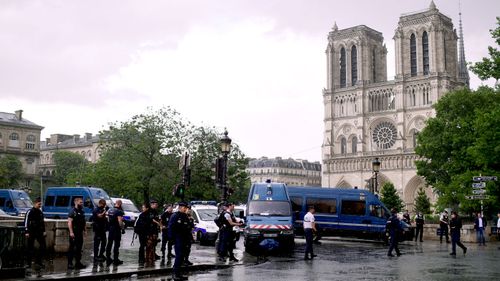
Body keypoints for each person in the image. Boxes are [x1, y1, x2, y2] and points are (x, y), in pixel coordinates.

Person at [168, 202, 191, 281]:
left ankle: (179, 273)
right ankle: (175, 273)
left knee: (182, 256)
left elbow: (187, 227)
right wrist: (171, 239)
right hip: (177, 238)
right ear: (181, 207)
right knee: (179, 255)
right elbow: (171, 227)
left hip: (184, 238)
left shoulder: (185, 216)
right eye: (185, 207)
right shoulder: (175, 216)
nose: (186, 209)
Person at [24, 197, 46, 268]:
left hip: (39, 232)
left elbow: (42, 223)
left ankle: (38, 261)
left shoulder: (40, 212)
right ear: (35, 203)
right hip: (31, 231)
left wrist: (44, 231)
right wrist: (27, 231)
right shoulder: (30, 211)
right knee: (30, 248)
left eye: (40, 204)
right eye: (39, 204)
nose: (40, 206)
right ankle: (28, 263)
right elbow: (26, 222)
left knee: (43, 246)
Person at [67, 197, 87, 269]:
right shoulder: (72, 211)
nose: (82, 203)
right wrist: (71, 232)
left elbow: (84, 221)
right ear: (75, 202)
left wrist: (85, 230)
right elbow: (69, 222)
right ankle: (70, 263)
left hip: (80, 232)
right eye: (80, 202)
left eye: (82, 202)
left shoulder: (82, 211)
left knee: (79, 248)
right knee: (72, 248)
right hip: (74, 232)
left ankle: (78, 263)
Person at [106, 199, 125, 266]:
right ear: (120, 204)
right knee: (116, 245)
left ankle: (108, 258)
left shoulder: (110, 210)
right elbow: (120, 221)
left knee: (109, 244)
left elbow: (107, 218)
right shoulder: (119, 211)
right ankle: (116, 260)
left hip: (111, 229)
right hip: (116, 229)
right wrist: (122, 228)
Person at [92, 199, 108, 263]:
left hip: (102, 229)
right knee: (97, 244)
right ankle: (96, 256)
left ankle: (101, 255)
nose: (104, 206)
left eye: (104, 205)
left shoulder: (102, 209)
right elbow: (100, 216)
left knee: (104, 242)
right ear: (100, 203)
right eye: (103, 205)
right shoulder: (96, 210)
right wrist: (105, 211)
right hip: (97, 229)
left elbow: (104, 217)